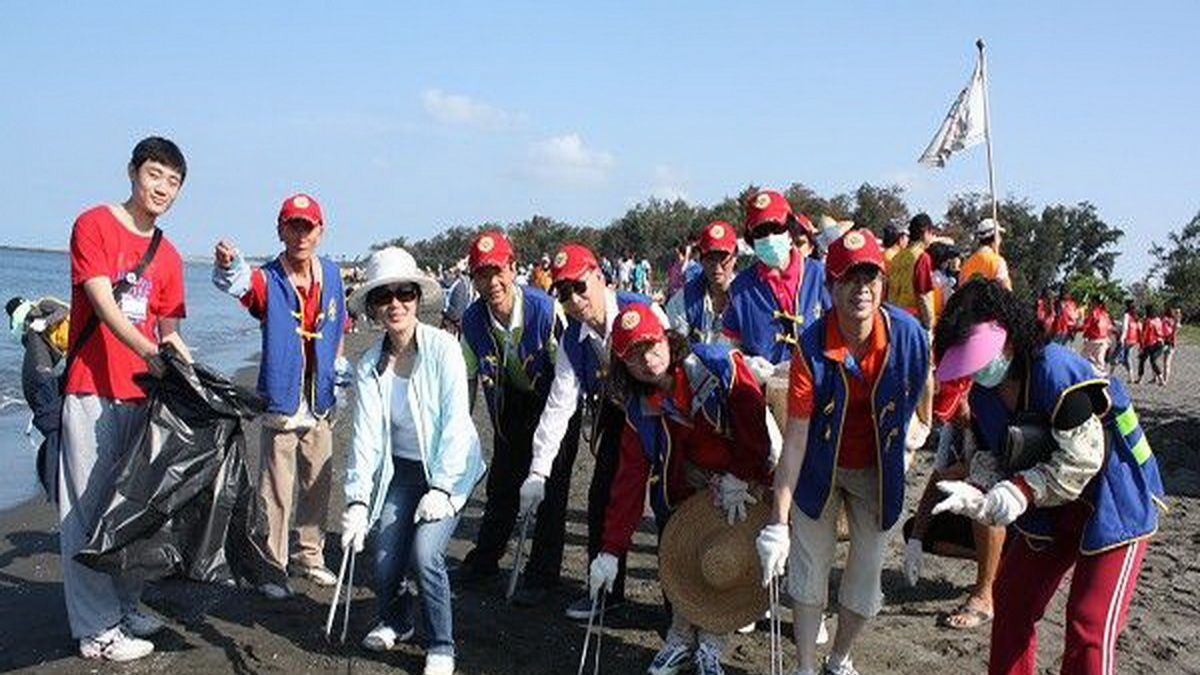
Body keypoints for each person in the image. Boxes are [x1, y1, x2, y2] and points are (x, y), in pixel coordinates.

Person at [929, 278, 1164, 675]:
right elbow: (994, 453)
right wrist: (981, 492)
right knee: (1012, 600)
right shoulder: (984, 393)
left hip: (1113, 500)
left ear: (1008, 334)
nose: (978, 368)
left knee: (1089, 624)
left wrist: (1020, 490)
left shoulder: (1055, 369)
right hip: (1051, 510)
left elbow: (1083, 458)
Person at [757, 229, 931, 675]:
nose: (861, 288)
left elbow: (924, 387)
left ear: (883, 282)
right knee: (808, 569)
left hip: (878, 467)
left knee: (866, 575)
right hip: (820, 467)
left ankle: (839, 658)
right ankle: (806, 667)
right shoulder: (811, 347)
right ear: (831, 286)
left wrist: (918, 431)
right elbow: (795, 440)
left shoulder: (909, 336)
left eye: (870, 276)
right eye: (849, 278)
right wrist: (778, 522)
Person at [59, 136, 191, 661]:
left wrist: (193, 376)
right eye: (154, 174)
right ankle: (97, 630)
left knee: (137, 508)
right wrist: (149, 349)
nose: (161, 188)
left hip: (144, 399)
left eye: (173, 181)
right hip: (92, 389)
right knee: (86, 510)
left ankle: (126, 602)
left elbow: (170, 330)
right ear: (133, 172)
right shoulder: (93, 224)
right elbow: (103, 306)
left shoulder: (172, 254)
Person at [589, 302, 772, 675]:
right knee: (686, 561)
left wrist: (740, 475)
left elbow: (755, 425)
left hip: (743, 476)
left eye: (651, 345)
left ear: (667, 338)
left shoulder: (719, 365)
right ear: (622, 364)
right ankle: (681, 640)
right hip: (684, 487)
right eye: (633, 355)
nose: (647, 359)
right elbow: (630, 478)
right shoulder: (640, 407)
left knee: (723, 560)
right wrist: (610, 550)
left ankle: (711, 647)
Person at [339, 247, 485, 675]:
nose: (396, 304)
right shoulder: (368, 365)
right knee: (384, 557)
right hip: (400, 471)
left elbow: (458, 424)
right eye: (384, 297)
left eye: (405, 293)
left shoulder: (443, 349)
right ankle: (396, 620)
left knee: (425, 555)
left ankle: (441, 643)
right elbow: (364, 439)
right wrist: (356, 502)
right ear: (373, 307)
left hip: (449, 467)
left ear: (418, 298)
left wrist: (441, 488)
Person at [212, 193, 348, 597]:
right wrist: (228, 264)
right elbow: (239, 284)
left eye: (308, 227)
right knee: (274, 490)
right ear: (280, 230)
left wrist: (339, 374)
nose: (301, 234)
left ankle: (310, 556)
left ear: (320, 231)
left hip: (320, 398)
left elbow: (338, 326)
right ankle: (272, 566)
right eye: (293, 226)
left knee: (318, 484)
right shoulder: (269, 278)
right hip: (283, 399)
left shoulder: (333, 275)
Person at [516, 243, 655, 621]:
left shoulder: (640, 309)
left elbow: (673, 362)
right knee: (601, 498)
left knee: (667, 504)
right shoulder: (571, 341)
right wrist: (538, 471)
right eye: (563, 292)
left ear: (599, 277)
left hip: (662, 412)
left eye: (579, 286)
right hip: (617, 414)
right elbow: (560, 405)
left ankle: (683, 611)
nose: (574, 300)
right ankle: (607, 593)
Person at [456, 231, 580, 606]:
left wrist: (551, 427)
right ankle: (485, 561)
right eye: (482, 275)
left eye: (498, 272)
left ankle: (543, 574)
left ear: (513, 269)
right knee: (502, 482)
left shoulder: (545, 310)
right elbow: (468, 379)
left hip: (554, 399)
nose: (492, 283)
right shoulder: (473, 319)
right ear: (473, 279)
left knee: (551, 488)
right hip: (509, 403)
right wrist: (460, 430)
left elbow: (567, 374)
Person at [901, 383, 1005, 631]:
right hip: (977, 508)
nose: (954, 418)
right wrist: (915, 539)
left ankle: (984, 595)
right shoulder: (954, 428)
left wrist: (966, 471)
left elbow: (1003, 472)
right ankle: (998, 564)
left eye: (956, 410)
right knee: (915, 528)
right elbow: (937, 478)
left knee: (982, 496)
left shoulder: (992, 417)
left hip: (1011, 512)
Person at [723, 189, 831, 365]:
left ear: (790, 233)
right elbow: (732, 347)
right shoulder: (739, 290)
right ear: (752, 240)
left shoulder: (821, 276)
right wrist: (748, 364)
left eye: (776, 228)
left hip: (818, 385)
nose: (770, 237)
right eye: (761, 232)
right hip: (765, 387)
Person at [665, 221, 737, 345]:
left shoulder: (748, 298)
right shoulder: (681, 302)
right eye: (710, 258)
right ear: (701, 259)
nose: (717, 266)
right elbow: (679, 350)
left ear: (735, 257)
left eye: (723, 257)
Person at [885, 213, 938, 330]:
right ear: (925, 232)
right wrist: (929, 324)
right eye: (931, 233)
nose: (932, 237)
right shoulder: (922, 257)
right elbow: (923, 294)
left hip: (894, 318)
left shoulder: (897, 258)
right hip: (914, 320)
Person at [958, 218, 1012, 291]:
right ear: (995, 238)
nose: (1001, 240)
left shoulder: (966, 264)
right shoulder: (998, 262)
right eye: (999, 236)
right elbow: (1006, 293)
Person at [1079, 296, 1113, 374]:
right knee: (1100, 360)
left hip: (1095, 339)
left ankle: (1082, 375)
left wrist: (1075, 328)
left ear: (1095, 303)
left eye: (1091, 302)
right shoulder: (1105, 313)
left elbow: (1086, 325)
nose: (1090, 304)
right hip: (1104, 340)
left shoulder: (1094, 312)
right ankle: (1101, 375)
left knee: (1082, 358)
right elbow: (1109, 327)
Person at [1135, 305, 1165, 385]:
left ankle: (1140, 378)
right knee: (1153, 360)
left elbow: (1144, 334)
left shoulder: (1147, 321)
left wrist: (1141, 346)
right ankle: (1160, 379)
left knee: (1142, 360)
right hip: (1159, 342)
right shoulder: (1158, 320)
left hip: (1150, 343)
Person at [1112, 300, 1140, 379]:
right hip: (1133, 340)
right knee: (1127, 357)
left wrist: (1121, 338)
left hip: (1126, 339)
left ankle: (1110, 373)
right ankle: (1131, 376)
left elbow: (1125, 328)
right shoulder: (1135, 317)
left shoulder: (1126, 315)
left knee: (1116, 356)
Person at [1161, 305, 1181, 384]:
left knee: (1155, 360)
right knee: (1167, 363)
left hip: (1164, 342)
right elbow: (1177, 329)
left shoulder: (1164, 320)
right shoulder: (1175, 322)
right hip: (1172, 343)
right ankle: (1166, 379)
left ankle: (1157, 377)